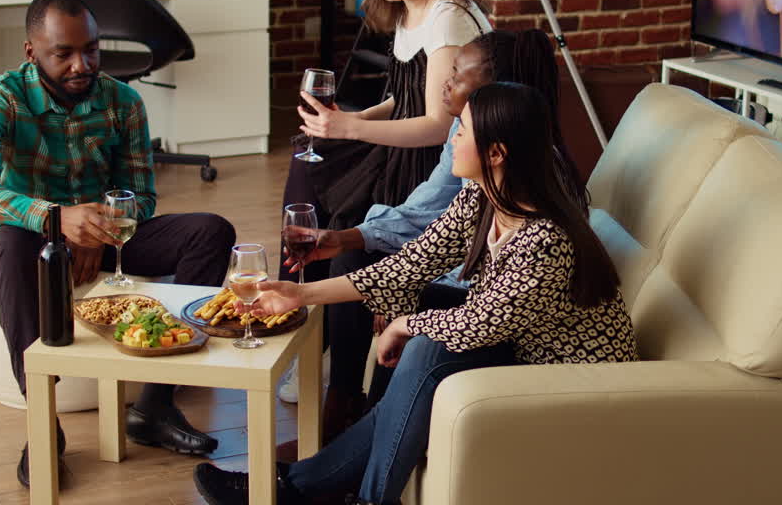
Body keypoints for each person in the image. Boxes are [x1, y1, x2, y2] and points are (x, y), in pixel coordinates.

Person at [195, 82, 639, 505]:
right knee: (418, 326)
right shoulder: (481, 198)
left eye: (461, 130)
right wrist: (298, 294)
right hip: (519, 340)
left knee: (426, 345)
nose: (453, 135)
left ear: (497, 153)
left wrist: (406, 325)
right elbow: (409, 265)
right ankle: (300, 485)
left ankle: (353, 495)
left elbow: (479, 324)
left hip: (569, 378)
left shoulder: (545, 239)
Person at [0, 0, 235, 488]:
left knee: (211, 231)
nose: (80, 64)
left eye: (90, 49)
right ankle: (42, 422)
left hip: (102, 231)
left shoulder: (123, 100)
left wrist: (99, 228)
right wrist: (56, 219)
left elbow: (143, 196)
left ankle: (155, 402)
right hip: (30, 232)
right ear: (32, 53)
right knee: (13, 245)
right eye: (62, 54)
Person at [293, 28, 580, 439]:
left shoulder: (538, 192)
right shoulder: (470, 165)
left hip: (504, 318)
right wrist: (340, 246)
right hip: (474, 294)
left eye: (459, 75)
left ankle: (362, 432)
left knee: (402, 308)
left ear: (495, 93)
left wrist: (405, 314)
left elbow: (490, 297)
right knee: (355, 257)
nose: (445, 81)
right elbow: (423, 225)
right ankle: (344, 411)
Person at [284, 0, 492, 242]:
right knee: (309, 155)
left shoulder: (449, 18)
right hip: (404, 146)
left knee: (329, 185)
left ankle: (310, 280)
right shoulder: (408, 5)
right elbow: (407, 94)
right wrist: (361, 118)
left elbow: (438, 126)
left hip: (435, 164)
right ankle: (300, 284)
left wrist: (351, 128)